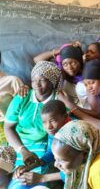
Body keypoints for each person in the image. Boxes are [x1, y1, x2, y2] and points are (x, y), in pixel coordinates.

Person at [3, 61, 62, 189]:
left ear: (53, 82)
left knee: (25, 180)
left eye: (42, 80)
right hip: (16, 143)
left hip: (42, 146)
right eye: (33, 80)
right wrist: (22, 150)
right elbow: (8, 128)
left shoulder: (58, 103)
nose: (36, 85)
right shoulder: (22, 97)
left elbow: (55, 141)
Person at [13, 100, 71, 187]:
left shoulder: (73, 134)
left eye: (53, 121)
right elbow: (51, 153)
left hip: (77, 170)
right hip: (65, 166)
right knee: (47, 168)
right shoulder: (55, 131)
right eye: (44, 122)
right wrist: (30, 167)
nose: (49, 127)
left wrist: (43, 177)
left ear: (65, 117)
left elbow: (76, 169)